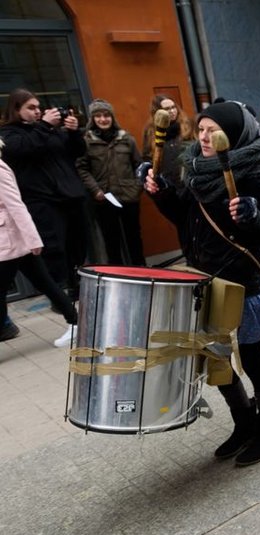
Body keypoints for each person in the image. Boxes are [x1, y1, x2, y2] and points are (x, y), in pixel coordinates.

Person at [143, 100, 260, 466]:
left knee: (252, 361)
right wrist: (160, 194)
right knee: (216, 361)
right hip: (204, 281)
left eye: (213, 131)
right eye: (202, 129)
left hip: (243, 284)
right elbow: (183, 218)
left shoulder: (253, 175)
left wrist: (253, 217)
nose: (205, 137)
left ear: (233, 135)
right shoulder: (195, 169)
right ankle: (244, 422)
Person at [1, 88, 88, 313]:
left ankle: (77, 286)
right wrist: (46, 126)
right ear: (16, 109)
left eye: (38, 107)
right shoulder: (10, 134)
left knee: (77, 244)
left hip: (70, 196)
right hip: (42, 201)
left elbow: (77, 152)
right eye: (31, 108)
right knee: (54, 249)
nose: (37, 112)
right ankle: (59, 296)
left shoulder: (49, 131)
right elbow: (24, 148)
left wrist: (73, 132)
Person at [0, 138, 79, 346]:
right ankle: (76, 322)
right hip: (11, 241)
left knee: (41, 282)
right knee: (44, 282)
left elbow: (15, 205)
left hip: (10, 241)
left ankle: (76, 323)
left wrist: (33, 238)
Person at [76, 98, 145, 265]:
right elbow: (82, 169)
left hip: (128, 196)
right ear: (93, 119)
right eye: (98, 116)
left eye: (106, 115)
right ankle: (118, 274)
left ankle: (141, 270)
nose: (103, 119)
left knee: (134, 237)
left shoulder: (126, 138)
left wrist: (137, 187)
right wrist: (96, 190)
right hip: (103, 198)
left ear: (112, 117)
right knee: (111, 239)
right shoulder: (86, 141)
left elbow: (139, 165)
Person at [142, 95, 196, 193]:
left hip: (190, 184)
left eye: (173, 107)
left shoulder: (188, 126)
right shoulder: (150, 132)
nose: (172, 111)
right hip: (168, 187)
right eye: (166, 109)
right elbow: (147, 158)